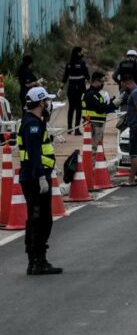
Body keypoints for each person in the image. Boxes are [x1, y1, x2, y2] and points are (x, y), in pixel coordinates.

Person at [18, 87, 62, 275]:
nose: (48, 104)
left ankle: (35, 261)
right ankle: (37, 261)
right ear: (40, 103)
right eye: (46, 101)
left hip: (34, 176)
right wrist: (42, 177)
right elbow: (34, 152)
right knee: (41, 220)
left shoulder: (33, 121)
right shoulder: (32, 124)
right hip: (35, 178)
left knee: (37, 218)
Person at [82, 72, 121, 153]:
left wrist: (110, 102)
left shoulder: (92, 93)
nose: (102, 84)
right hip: (95, 123)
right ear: (96, 81)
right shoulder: (92, 94)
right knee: (95, 147)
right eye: (101, 81)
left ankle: (98, 160)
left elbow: (99, 106)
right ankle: (94, 161)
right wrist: (114, 104)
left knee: (96, 147)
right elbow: (100, 109)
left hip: (93, 122)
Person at [62, 47, 90, 135]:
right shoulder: (82, 63)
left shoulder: (69, 64)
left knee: (71, 108)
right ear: (78, 53)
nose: (82, 53)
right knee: (79, 108)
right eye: (81, 52)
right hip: (80, 88)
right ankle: (77, 129)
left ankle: (69, 128)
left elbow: (65, 77)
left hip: (71, 88)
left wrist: (60, 88)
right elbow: (87, 76)